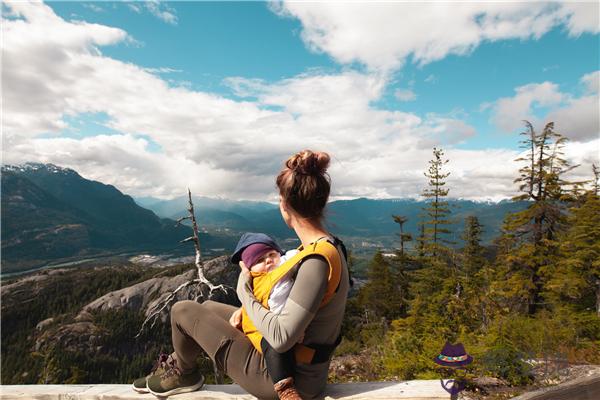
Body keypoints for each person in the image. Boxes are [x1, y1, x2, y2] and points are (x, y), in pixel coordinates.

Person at [132, 149, 349, 400]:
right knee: (210, 307)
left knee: (183, 310)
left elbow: (280, 338)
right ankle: (178, 367)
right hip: (299, 365)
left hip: (288, 380)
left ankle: (185, 372)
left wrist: (244, 292)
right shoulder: (328, 247)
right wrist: (248, 313)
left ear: (284, 205)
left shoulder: (315, 262)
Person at [228, 232, 302, 400]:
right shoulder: (257, 280)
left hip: (278, 326)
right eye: (259, 260)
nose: (268, 260)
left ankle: (286, 389)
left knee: (277, 344)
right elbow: (258, 297)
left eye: (271, 254)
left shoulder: (283, 268)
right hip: (258, 328)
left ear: (279, 254)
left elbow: (296, 255)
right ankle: (285, 389)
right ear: (250, 269)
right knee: (273, 345)